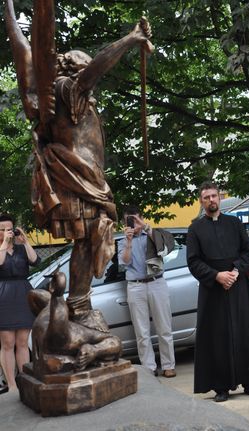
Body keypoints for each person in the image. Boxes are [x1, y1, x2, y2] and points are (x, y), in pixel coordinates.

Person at [5, 0, 153, 320]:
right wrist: (131, 38)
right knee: (86, 241)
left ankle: (77, 302)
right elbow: (97, 67)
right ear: (73, 68)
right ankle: (78, 303)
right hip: (78, 179)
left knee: (87, 241)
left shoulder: (66, 97)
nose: (86, 65)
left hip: (84, 179)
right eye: (80, 61)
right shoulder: (65, 90)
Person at [187, 182, 249, 402]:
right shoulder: (195, 229)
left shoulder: (234, 223)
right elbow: (193, 261)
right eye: (207, 197)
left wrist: (235, 271)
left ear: (219, 197)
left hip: (237, 285)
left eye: (214, 196)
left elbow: (248, 252)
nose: (211, 200)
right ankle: (221, 386)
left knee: (245, 334)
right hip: (213, 290)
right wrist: (216, 276)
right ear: (201, 201)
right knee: (217, 337)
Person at [117, 206, 176, 377]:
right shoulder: (122, 241)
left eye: (135, 219)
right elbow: (124, 262)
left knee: (164, 326)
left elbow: (162, 246)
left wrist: (144, 226)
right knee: (141, 331)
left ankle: (168, 365)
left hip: (157, 282)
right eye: (129, 220)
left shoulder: (151, 234)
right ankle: (149, 367)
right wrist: (128, 241)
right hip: (135, 286)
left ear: (141, 218)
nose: (133, 223)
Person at [0, 214, 40, 392]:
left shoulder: (21, 249)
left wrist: (25, 242)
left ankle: (24, 380)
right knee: (7, 342)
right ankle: (12, 385)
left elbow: (36, 261)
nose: (7, 232)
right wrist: (4, 244)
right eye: (2, 229)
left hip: (23, 293)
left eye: (9, 228)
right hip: (3, 296)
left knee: (23, 341)